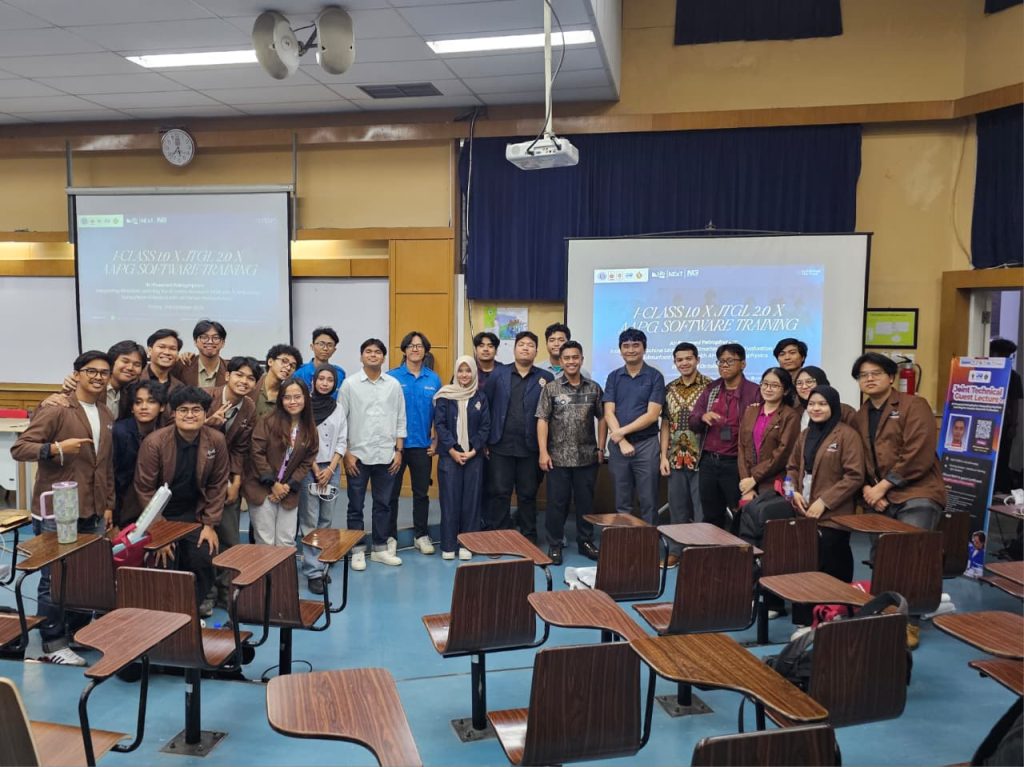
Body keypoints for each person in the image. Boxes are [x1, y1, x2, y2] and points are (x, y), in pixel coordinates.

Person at [10, 350, 116, 665]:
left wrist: (108, 504)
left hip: (93, 507)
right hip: (58, 509)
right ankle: (52, 641)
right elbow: (20, 448)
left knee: (85, 575)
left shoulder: (105, 412)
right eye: (91, 371)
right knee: (53, 576)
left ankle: (75, 633)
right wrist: (55, 448)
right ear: (77, 374)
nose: (98, 377)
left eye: (104, 372)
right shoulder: (56, 407)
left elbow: (105, 465)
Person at [135, 386, 229, 611]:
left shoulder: (216, 440)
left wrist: (209, 525)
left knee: (204, 556)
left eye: (196, 410)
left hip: (194, 515)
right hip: (161, 516)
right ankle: (165, 614)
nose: (190, 415)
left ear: (205, 414)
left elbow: (217, 485)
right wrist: (159, 530)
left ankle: (190, 609)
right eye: (183, 410)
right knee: (163, 560)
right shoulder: (155, 442)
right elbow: (144, 489)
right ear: (174, 413)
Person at [851, 352, 947, 530]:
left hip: (916, 494)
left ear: (891, 377)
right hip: (877, 499)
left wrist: (882, 487)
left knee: (907, 546)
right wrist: (867, 490)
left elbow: (918, 453)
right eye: (863, 375)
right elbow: (857, 460)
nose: (869, 378)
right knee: (881, 548)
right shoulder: (859, 417)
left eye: (876, 373)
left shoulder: (914, 405)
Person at [786, 385, 866, 584]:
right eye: (812, 404)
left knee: (832, 563)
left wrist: (824, 502)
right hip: (803, 509)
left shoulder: (847, 435)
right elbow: (792, 467)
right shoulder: (805, 434)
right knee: (807, 565)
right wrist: (792, 492)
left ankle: (838, 601)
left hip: (834, 514)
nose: (816, 408)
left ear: (833, 406)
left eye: (822, 404)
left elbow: (854, 476)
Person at [340, 339, 407, 570]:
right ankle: (357, 550)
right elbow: (341, 421)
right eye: (368, 351)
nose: (372, 355)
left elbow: (400, 419)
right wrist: (346, 453)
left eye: (377, 352)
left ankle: (380, 548)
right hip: (357, 457)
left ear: (383, 357)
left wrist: (399, 451)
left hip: (386, 455)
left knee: (383, 504)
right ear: (361, 357)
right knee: (355, 506)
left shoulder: (393, 385)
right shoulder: (349, 385)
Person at [536, 340, 605, 564]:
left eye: (575, 357)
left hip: (587, 457)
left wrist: (601, 447)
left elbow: (603, 417)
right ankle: (555, 545)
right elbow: (542, 420)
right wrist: (543, 452)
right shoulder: (551, 388)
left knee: (586, 504)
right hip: (557, 458)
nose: (571, 361)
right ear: (561, 361)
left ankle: (586, 542)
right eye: (567, 358)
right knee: (556, 504)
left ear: (581, 359)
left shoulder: (594, 388)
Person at [484, 330, 554, 539]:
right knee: (500, 492)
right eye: (522, 344)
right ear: (514, 349)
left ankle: (529, 536)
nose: (526, 348)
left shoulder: (545, 378)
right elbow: (487, 407)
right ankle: (498, 535)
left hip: (530, 447)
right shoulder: (498, 374)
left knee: (527, 494)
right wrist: (485, 441)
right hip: (500, 445)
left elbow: (550, 415)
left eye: (530, 345)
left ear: (536, 351)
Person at [204, 356, 259, 607]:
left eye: (250, 378)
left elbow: (240, 448)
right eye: (239, 375)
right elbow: (182, 432)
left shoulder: (249, 407)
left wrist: (236, 481)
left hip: (226, 477)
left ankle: (227, 593)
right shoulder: (206, 397)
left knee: (229, 537)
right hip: (199, 479)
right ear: (227, 375)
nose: (244, 381)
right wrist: (208, 424)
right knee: (203, 540)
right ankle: (205, 594)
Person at [690, 343, 762, 531]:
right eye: (721, 361)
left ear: (743, 364)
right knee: (711, 515)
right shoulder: (711, 389)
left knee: (741, 514)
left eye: (730, 361)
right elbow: (692, 421)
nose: (724, 365)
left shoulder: (754, 392)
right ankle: (714, 549)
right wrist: (702, 417)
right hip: (709, 461)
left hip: (736, 463)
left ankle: (739, 548)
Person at [245, 378, 318, 548]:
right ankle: (265, 569)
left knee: (286, 542)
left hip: (288, 491)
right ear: (281, 399)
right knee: (265, 542)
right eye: (287, 397)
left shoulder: (309, 427)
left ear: (305, 398)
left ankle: (284, 569)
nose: (292, 402)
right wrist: (273, 484)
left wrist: (287, 486)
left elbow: (308, 460)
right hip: (262, 488)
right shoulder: (268, 421)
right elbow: (256, 452)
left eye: (297, 397)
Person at [603, 328, 666, 525]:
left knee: (649, 500)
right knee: (622, 501)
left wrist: (620, 432)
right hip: (619, 447)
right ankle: (625, 540)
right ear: (620, 350)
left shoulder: (655, 376)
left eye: (636, 345)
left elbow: (652, 415)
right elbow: (608, 412)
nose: (631, 350)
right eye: (626, 346)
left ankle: (649, 541)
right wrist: (621, 441)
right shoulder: (613, 377)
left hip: (646, 445)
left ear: (644, 348)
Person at [387, 331, 442, 556]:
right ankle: (390, 537)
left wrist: (436, 440)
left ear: (425, 350)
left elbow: (439, 414)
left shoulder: (433, 379)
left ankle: (421, 535)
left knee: (421, 494)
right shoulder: (392, 377)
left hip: (422, 446)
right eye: (411, 345)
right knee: (391, 494)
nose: (415, 349)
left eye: (419, 346)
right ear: (404, 350)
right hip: (395, 447)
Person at [660, 342, 712, 567]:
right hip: (674, 458)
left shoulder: (710, 387)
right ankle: (675, 552)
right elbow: (665, 424)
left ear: (697, 359)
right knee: (677, 509)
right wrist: (663, 456)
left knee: (702, 510)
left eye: (688, 358)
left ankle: (699, 554)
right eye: (680, 360)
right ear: (674, 362)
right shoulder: (669, 388)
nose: (684, 363)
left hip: (702, 458)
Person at [434, 356, 490, 560]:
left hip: (474, 456)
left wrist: (474, 450)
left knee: (471, 502)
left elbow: (485, 427)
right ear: (455, 372)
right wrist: (452, 450)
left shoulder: (480, 397)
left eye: (468, 371)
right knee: (450, 501)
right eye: (460, 370)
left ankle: (468, 544)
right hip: (450, 456)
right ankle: (448, 544)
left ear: (474, 373)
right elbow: (440, 425)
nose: (464, 375)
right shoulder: (445, 395)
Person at [297, 365, 347, 593]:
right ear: (314, 381)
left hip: (332, 469)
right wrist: (317, 469)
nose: (325, 383)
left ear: (334, 384)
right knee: (309, 519)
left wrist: (331, 469)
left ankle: (322, 561)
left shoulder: (338, 408)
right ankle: (313, 571)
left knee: (326, 519)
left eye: (329, 380)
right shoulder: (304, 406)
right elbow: (303, 439)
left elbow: (342, 440)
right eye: (321, 379)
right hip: (310, 468)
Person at [737, 367, 801, 502]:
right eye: (765, 384)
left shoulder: (790, 416)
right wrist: (746, 481)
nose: (768, 389)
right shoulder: (751, 410)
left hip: (774, 482)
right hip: (748, 482)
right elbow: (741, 447)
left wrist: (754, 478)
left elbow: (783, 453)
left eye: (775, 385)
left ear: (786, 390)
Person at [112, 379, 167, 529]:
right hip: (122, 503)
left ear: (162, 407)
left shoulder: (163, 433)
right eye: (138, 402)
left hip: (149, 500)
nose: (144, 407)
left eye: (151, 402)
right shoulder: (119, 432)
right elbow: (111, 474)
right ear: (132, 408)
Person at [47, 339, 147, 420]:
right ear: (112, 362)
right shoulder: (87, 385)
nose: (130, 368)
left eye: (137, 364)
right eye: (125, 361)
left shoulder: (130, 392)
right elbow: (54, 405)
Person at [990, 337, 1022, 492]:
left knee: (1002, 458)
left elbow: (1014, 403)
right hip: (987, 421)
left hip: (1005, 424)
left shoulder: (1013, 376)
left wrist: (1013, 425)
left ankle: (999, 488)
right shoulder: (987, 372)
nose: (1008, 359)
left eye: (1010, 356)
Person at [174, 319, 228, 389]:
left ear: (223, 343)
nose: (210, 342)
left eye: (215, 338)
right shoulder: (183, 365)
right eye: (204, 337)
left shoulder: (230, 369)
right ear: (195, 342)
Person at [294, 327, 346, 397]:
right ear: (312, 346)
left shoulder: (339, 374)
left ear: (334, 350)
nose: (325, 348)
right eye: (321, 344)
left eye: (330, 345)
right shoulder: (300, 373)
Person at [254, 343, 302, 419]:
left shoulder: (286, 396)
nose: (288, 368)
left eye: (292, 366)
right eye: (284, 361)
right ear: (270, 362)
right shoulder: (252, 385)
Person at [142, 329, 185, 393]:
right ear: (150, 350)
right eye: (161, 347)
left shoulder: (180, 388)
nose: (167, 352)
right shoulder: (135, 379)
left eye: (172, 348)